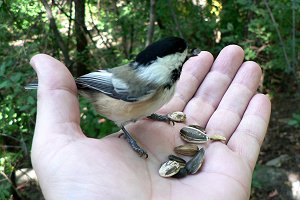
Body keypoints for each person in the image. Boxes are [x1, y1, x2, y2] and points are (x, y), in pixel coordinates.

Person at [30, 45, 271, 199]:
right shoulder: (145, 85)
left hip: (130, 96)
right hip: (103, 92)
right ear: (164, 63)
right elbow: (105, 85)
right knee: (125, 121)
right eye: (182, 56)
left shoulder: (165, 84)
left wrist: (154, 114)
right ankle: (127, 132)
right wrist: (133, 142)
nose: (186, 59)